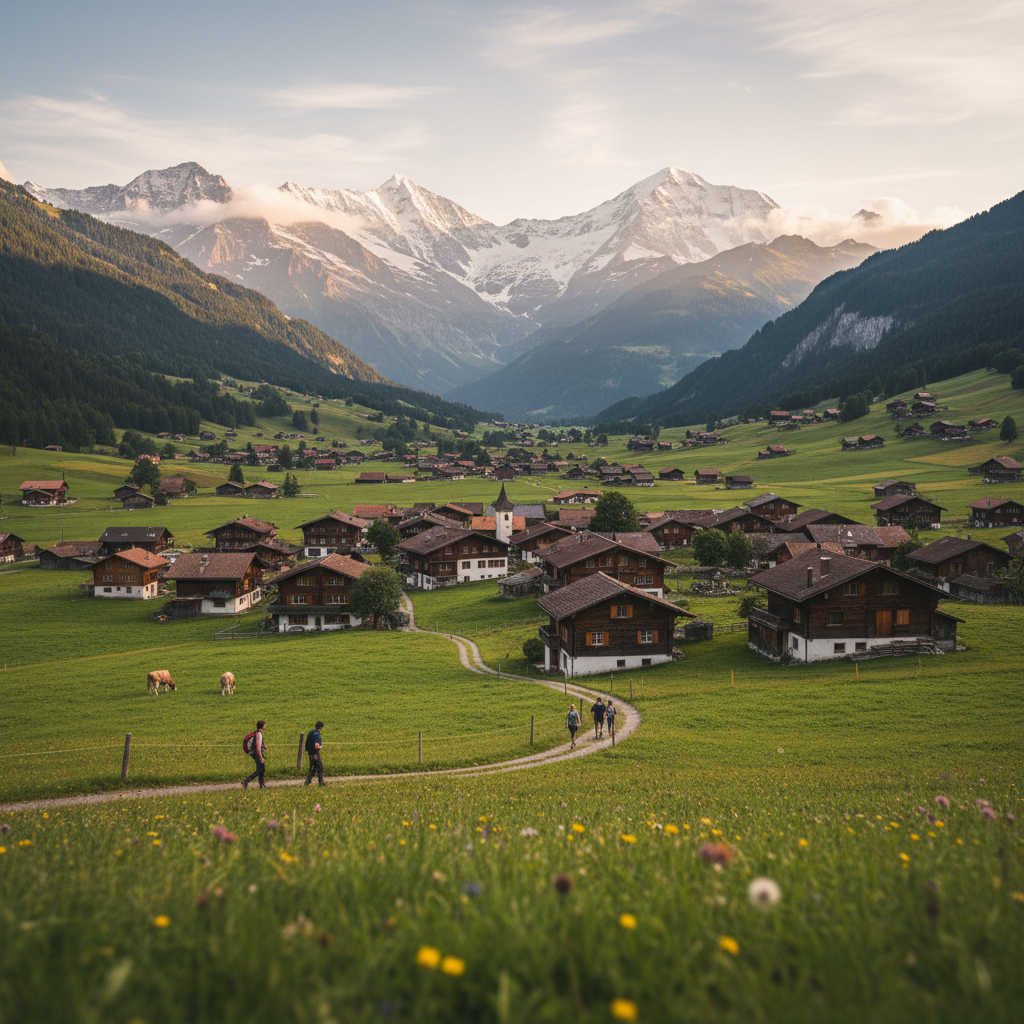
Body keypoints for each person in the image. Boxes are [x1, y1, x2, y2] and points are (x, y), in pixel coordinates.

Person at [242, 719, 268, 789]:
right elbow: (257, 746)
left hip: (253, 752)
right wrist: (260, 757)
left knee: (262, 768)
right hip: (256, 753)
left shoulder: (256, 733)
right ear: (263, 726)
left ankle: (262, 784)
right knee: (260, 769)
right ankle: (246, 781)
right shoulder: (259, 734)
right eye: (265, 724)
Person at [304, 720, 325, 786]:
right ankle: (321, 782)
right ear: (321, 727)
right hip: (315, 753)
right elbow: (316, 745)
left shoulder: (311, 732)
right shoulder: (317, 734)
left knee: (313, 768)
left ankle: (307, 782)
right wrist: (316, 753)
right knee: (320, 767)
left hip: (310, 752)